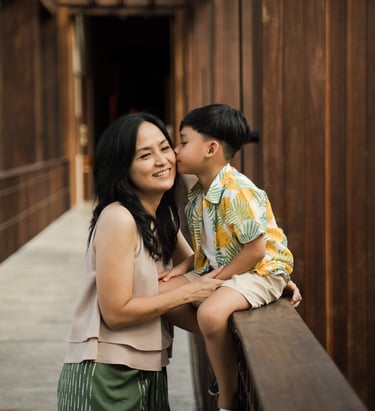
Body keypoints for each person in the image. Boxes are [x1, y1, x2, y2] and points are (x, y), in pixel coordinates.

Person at [57, 112, 223, 411]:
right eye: (145, 155)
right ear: (123, 168)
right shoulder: (119, 218)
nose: (162, 160)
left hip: (149, 369)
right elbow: (116, 312)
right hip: (106, 375)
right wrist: (189, 292)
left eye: (164, 147)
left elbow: (204, 265)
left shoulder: (162, 217)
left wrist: (265, 276)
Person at [159, 104, 300, 411]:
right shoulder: (198, 193)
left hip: (260, 270)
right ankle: (226, 343)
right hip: (223, 269)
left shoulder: (238, 190)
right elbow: (209, 246)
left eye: (183, 141)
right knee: (159, 297)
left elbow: (256, 250)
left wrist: (213, 283)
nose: (175, 149)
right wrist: (183, 267)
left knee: (210, 313)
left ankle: (227, 397)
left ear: (210, 148)